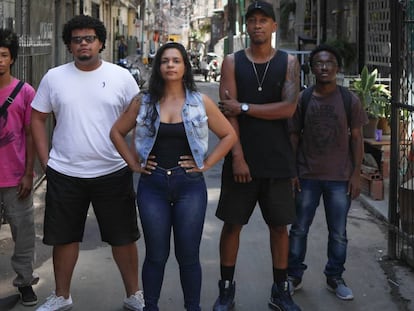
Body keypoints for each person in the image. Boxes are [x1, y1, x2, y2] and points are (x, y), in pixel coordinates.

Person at [110, 42, 237, 311]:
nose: (170, 65)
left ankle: (193, 307)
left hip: (189, 186)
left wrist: (205, 164)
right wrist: (133, 163)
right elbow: (116, 132)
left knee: (188, 255)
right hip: (152, 185)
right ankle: (151, 307)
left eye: (176, 61)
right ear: (158, 66)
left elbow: (229, 135)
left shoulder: (199, 101)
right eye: (165, 61)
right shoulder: (143, 101)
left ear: (185, 66)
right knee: (156, 255)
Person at [30, 15, 144, 311]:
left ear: (101, 43)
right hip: (65, 172)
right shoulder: (54, 77)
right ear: (69, 45)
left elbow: (140, 119)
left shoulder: (121, 77)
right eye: (77, 39)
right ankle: (62, 296)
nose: (83, 44)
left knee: (123, 237)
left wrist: (132, 158)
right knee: (64, 238)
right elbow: (37, 118)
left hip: (112, 171)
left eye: (89, 38)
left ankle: (134, 294)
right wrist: (46, 161)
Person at [213, 1, 301, 311]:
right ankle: (226, 290)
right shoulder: (232, 62)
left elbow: (288, 109)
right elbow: (227, 115)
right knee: (233, 225)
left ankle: (280, 290)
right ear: (246, 26)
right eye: (252, 20)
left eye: (264, 20)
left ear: (274, 26)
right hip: (242, 159)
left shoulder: (289, 63)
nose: (258, 25)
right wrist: (237, 156)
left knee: (279, 227)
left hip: (277, 160)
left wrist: (246, 107)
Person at [287, 44, 368, 301]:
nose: (324, 67)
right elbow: (293, 137)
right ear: (312, 69)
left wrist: (356, 174)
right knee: (299, 229)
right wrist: (293, 171)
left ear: (337, 68)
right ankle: (293, 275)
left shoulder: (349, 100)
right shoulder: (304, 98)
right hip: (307, 176)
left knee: (339, 233)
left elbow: (357, 138)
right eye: (319, 63)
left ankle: (335, 277)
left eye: (329, 63)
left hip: (339, 178)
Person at [0, 28, 38, 307]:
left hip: (15, 177)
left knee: (23, 232)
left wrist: (28, 173)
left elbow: (31, 134)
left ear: (11, 58)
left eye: (3, 55)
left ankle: (24, 282)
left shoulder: (25, 92)